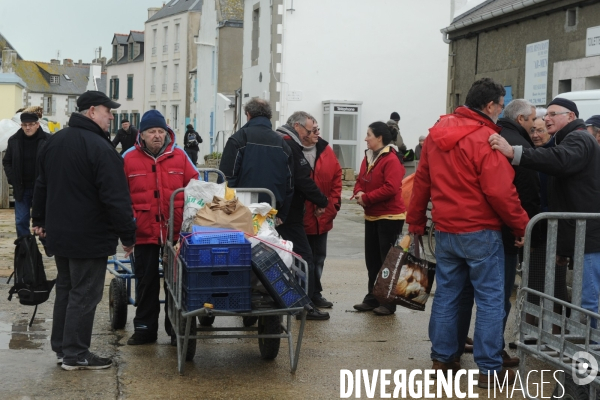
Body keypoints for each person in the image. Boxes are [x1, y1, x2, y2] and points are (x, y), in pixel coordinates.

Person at [407, 78, 528, 387]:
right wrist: (521, 226)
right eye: (501, 106)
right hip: (481, 231)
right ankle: (489, 368)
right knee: (490, 299)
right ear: (489, 106)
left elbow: (421, 181)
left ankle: (443, 359)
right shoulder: (485, 138)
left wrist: (416, 222)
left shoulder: (436, 134)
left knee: (447, 295)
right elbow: (501, 192)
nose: (501, 112)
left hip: (446, 230)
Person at [31, 90, 137, 370]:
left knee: (67, 288)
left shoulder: (54, 142)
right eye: (107, 110)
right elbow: (116, 198)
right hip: (88, 236)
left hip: (60, 233)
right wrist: (128, 236)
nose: (111, 116)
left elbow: (41, 184)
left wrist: (39, 219)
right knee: (85, 293)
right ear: (91, 111)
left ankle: (63, 348)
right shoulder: (101, 148)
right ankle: (75, 354)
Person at [490, 97, 600, 324]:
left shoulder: (579, 137)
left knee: (589, 300)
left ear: (570, 116)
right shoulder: (568, 139)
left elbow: (559, 160)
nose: (546, 118)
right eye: (545, 114)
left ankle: (592, 352)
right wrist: (562, 247)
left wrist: (515, 153)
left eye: (552, 114)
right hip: (580, 236)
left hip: (588, 237)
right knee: (584, 299)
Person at [123, 110, 198, 345]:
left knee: (175, 283)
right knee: (146, 283)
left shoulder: (180, 156)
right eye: (151, 132)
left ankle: (176, 330)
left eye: (160, 131)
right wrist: (127, 226)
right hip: (143, 232)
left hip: (175, 233)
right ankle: (145, 330)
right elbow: (119, 195)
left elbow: (195, 188)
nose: (157, 136)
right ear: (142, 135)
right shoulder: (127, 158)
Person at [496, 99, 541, 367]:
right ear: (522, 119)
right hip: (507, 232)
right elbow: (525, 193)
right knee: (499, 297)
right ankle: (493, 352)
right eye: (532, 120)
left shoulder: (495, 135)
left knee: (465, 294)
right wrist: (523, 227)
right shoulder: (517, 145)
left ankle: (448, 353)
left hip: (480, 227)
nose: (535, 126)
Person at [276, 111, 330, 320]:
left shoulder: (281, 140)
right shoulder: (290, 144)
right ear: (297, 127)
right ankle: (304, 307)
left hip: (279, 209)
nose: (312, 133)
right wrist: (322, 201)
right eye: (310, 130)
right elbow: (301, 180)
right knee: (304, 258)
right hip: (288, 214)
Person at [352, 121, 406, 316]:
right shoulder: (368, 157)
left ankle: (388, 301)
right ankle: (373, 296)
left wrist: (366, 198)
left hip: (390, 217)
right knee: (372, 261)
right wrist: (358, 192)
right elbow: (360, 180)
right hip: (373, 215)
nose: (365, 138)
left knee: (387, 261)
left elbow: (391, 188)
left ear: (379, 138)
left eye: (368, 135)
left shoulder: (391, 158)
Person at [219, 98, 293, 221]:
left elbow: (226, 178)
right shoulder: (282, 144)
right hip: (271, 210)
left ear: (248, 114)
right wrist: (282, 215)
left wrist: (224, 210)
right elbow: (289, 184)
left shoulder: (239, 139)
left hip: (241, 212)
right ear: (269, 115)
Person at [302, 120, 342, 309]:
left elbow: (336, 178)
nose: (318, 133)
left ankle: (315, 294)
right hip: (302, 217)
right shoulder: (294, 150)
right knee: (302, 258)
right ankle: (302, 295)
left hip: (322, 216)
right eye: (314, 130)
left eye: (318, 129)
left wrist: (330, 205)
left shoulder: (326, 150)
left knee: (318, 257)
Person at [2, 111, 51, 247]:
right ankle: (25, 249)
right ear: (21, 125)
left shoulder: (48, 140)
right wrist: (12, 178)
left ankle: (49, 246)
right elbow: (7, 161)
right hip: (21, 187)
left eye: (31, 124)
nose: (28, 127)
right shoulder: (14, 140)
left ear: (37, 124)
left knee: (43, 221)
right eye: (25, 125)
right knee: (21, 221)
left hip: (41, 188)